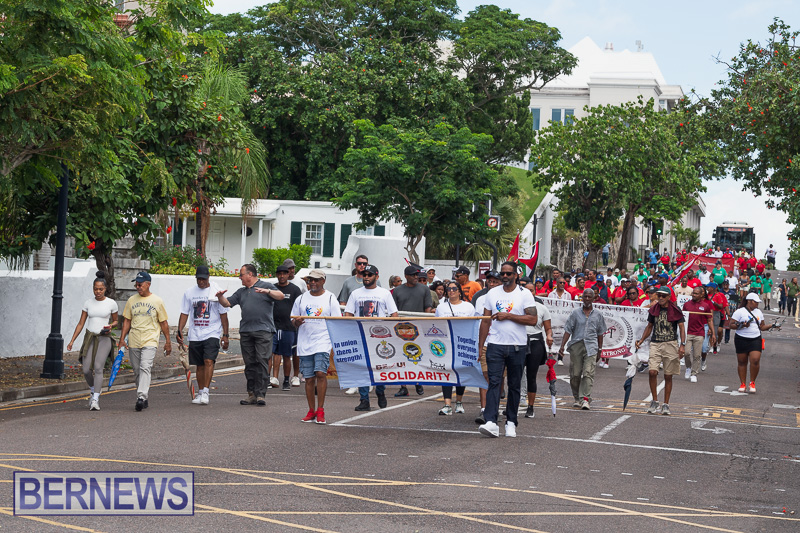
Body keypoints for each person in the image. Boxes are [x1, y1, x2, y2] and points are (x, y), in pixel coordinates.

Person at [477, 261, 537, 438]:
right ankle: (491, 421)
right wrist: (480, 346)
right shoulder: (492, 293)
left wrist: (508, 315)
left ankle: (511, 422)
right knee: (494, 382)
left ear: (516, 275)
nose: (504, 276)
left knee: (514, 385)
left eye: (508, 274)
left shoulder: (524, 294)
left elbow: (533, 319)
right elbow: (486, 320)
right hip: (495, 345)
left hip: (517, 346)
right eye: (502, 273)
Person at [216, 264, 284, 407]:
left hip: (264, 331)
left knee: (262, 361)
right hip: (246, 331)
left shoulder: (265, 286)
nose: (240, 277)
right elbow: (227, 303)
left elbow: (281, 296)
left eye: (241, 274)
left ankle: (261, 394)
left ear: (250, 274)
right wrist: (220, 296)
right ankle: (251, 394)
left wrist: (268, 291)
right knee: (250, 363)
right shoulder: (241, 292)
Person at [345, 264, 398, 411]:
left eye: (369, 275)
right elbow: (348, 313)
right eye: (364, 274)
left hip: (379, 337)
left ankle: (380, 391)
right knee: (362, 367)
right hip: (360, 335)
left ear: (377, 276)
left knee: (379, 367)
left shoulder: (384, 293)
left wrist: (391, 332)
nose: (366, 277)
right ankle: (364, 399)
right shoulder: (355, 293)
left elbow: (394, 314)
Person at [292, 270, 342, 424]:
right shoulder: (300, 299)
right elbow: (293, 319)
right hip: (305, 342)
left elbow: (336, 321)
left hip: (323, 341)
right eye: (310, 280)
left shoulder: (330, 298)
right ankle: (311, 410)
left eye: (316, 280)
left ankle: (320, 410)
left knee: (320, 373)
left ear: (323, 281)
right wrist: (297, 322)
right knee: (308, 378)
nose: (312, 282)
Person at [118, 271, 171, 412]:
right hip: (134, 339)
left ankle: (141, 397)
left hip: (150, 339)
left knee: (145, 367)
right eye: (136, 284)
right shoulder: (131, 300)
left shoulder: (157, 301)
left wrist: (168, 341)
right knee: (137, 371)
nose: (138, 287)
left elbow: (164, 322)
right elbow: (127, 321)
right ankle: (144, 397)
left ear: (148, 284)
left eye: (140, 284)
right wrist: (122, 339)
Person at [176, 265, 229, 406]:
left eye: (203, 279)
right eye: (198, 279)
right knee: (199, 365)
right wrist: (179, 330)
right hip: (195, 334)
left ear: (208, 277)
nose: (201, 282)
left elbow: (224, 315)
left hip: (212, 332)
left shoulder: (216, 292)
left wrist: (226, 335)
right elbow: (184, 313)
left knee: (208, 361)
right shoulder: (189, 292)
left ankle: (206, 391)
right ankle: (200, 392)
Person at [67, 271, 119, 411]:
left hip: (104, 338)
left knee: (98, 366)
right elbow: (80, 323)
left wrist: (111, 326)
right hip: (90, 338)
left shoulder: (111, 303)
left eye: (101, 289)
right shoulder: (88, 303)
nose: (98, 291)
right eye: (95, 289)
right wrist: (72, 341)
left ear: (105, 289)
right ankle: (93, 389)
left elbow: (116, 321)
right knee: (85, 369)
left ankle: (95, 399)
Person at [635, 286, 686, 416]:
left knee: (668, 375)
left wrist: (682, 345)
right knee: (652, 372)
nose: (661, 298)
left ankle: (666, 404)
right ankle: (654, 401)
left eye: (664, 296)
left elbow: (681, 328)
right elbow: (649, 326)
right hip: (655, 343)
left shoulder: (676, 310)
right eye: (659, 296)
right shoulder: (653, 309)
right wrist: (640, 341)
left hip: (670, 344)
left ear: (669, 297)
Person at [557, 288, 606, 410]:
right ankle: (577, 398)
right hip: (576, 346)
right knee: (575, 374)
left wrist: (600, 350)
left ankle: (585, 399)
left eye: (590, 297)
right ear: (582, 298)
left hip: (591, 347)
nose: (587, 299)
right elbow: (568, 330)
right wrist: (562, 346)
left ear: (594, 298)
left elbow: (600, 333)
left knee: (588, 373)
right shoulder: (575, 313)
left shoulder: (598, 315)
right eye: (586, 297)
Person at [393, 264, 434, 397]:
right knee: (401, 357)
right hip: (401, 328)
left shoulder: (424, 289)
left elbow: (428, 308)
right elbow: (394, 311)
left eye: (417, 275)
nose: (416, 277)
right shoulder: (397, 291)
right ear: (406, 276)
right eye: (413, 275)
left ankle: (418, 381)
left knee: (418, 355)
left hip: (419, 328)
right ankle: (403, 386)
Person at [434, 281, 475, 415]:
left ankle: (459, 402)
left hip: (463, 344)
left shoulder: (468, 307)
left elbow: (473, 325)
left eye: (454, 289)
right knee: (446, 372)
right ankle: (447, 405)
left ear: (459, 291)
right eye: (449, 289)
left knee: (461, 372)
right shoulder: (441, 307)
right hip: (446, 344)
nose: (451, 291)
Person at [730, 293, 778, 393]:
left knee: (755, 360)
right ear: (749, 301)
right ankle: (742, 384)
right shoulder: (739, 312)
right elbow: (731, 325)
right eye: (756, 302)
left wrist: (772, 325)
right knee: (742, 362)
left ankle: (752, 382)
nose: (757, 304)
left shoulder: (759, 312)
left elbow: (762, 327)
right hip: (741, 339)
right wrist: (742, 325)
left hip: (755, 338)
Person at [520, 281, 553, 417]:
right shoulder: (516, 307)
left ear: (535, 292)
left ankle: (530, 407)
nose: (529, 293)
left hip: (535, 343)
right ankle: (513, 403)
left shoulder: (542, 308)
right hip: (519, 343)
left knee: (531, 376)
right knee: (515, 375)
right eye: (526, 291)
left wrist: (549, 336)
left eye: (532, 290)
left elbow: (548, 328)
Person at [271, 264, 303, 391]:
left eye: (284, 273)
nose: (282, 276)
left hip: (289, 327)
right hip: (274, 327)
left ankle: (286, 380)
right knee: (272, 354)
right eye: (279, 273)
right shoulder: (272, 288)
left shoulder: (295, 289)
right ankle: (273, 378)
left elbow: (300, 305)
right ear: (277, 275)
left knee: (287, 354)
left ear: (288, 274)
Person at [682, 286, 715, 383]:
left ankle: (694, 373)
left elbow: (709, 320)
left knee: (697, 355)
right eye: (693, 293)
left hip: (700, 333)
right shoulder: (686, 305)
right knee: (686, 353)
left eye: (696, 293)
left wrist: (713, 333)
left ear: (701, 295)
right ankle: (688, 367)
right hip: (688, 332)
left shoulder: (705, 306)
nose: (694, 295)